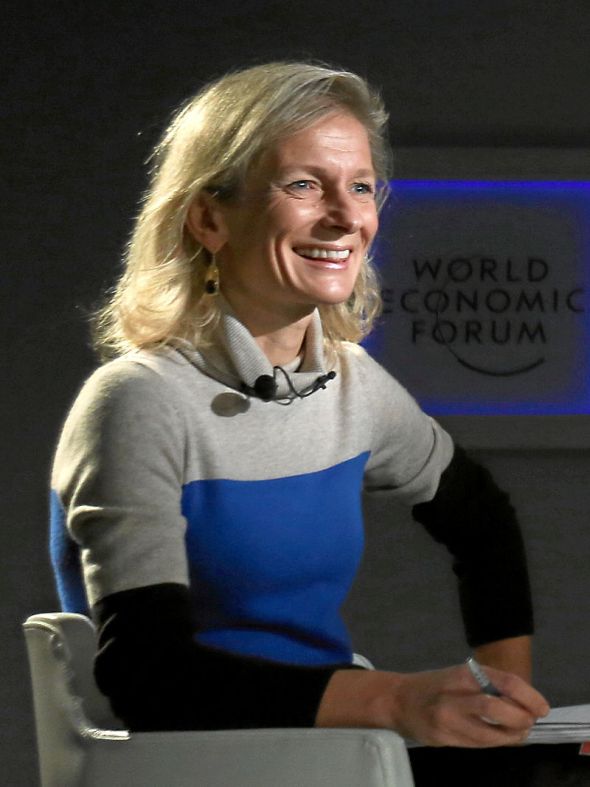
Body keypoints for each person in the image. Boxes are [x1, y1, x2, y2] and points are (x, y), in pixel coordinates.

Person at [50, 61, 549, 747]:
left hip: (325, 753)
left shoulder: (351, 382)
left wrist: (503, 699)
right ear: (209, 218)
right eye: (304, 185)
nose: (346, 217)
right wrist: (395, 699)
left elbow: (482, 517)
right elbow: (150, 678)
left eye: (361, 187)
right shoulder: (139, 399)